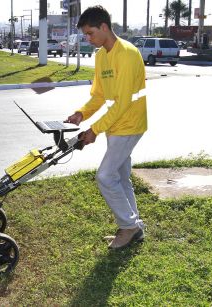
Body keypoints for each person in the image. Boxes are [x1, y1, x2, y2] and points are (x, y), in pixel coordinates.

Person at [66, 5, 147, 249]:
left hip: (130, 124)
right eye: (85, 35)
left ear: (104, 27)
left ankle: (128, 226)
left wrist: (94, 130)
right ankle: (136, 227)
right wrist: (82, 113)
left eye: (90, 33)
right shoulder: (102, 55)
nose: (87, 39)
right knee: (121, 177)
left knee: (105, 176)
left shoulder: (128, 54)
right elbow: (99, 95)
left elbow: (122, 102)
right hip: (115, 125)